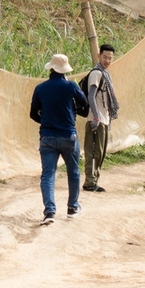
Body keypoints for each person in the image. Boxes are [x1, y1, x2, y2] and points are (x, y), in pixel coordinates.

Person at [30, 53, 88, 225]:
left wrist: (47, 121)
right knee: (74, 171)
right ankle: (72, 207)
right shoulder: (70, 86)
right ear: (64, 70)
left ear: (51, 69)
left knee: (48, 175)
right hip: (68, 136)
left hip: (47, 136)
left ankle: (49, 212)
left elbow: (33, 113)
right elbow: (84, 103)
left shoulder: (40, 88)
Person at [80, 43, 119, 193]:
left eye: (110, 58)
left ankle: (94, 180)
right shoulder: (96, 73)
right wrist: (96, 117)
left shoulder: (105, 74)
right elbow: (91, 95)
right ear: (99, 55)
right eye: (105, 57)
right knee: (94, 151)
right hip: (95, 119)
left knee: (100, 152)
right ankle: (90, 182)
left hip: (104, 118)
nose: (107, 60)